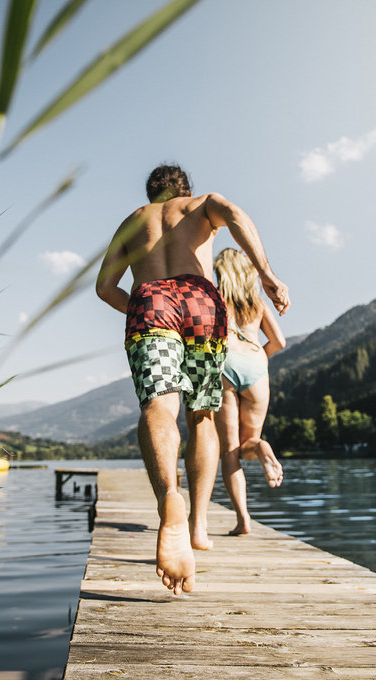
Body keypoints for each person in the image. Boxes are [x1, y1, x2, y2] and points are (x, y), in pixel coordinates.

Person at [95, 164, 289, 595]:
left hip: (151, 300)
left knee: (158, 407)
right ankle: (199, 528)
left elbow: (105, 287)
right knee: (202, 415)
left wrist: (144, 307)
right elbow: (236, 215)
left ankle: (169, 499)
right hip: (202, 299)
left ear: (151, 193)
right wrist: (267, 274)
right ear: (184, 189)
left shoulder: (133, 220)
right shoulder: (203, 205)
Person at [213, 248, 286, 536]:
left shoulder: (217, 299)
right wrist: (258, 359)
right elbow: (278, 342)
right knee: (249, 441)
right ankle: (261, 447)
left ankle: (243, 520)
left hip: (226, 362)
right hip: (256, 362)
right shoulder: (257, 303)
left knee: (230, 451)